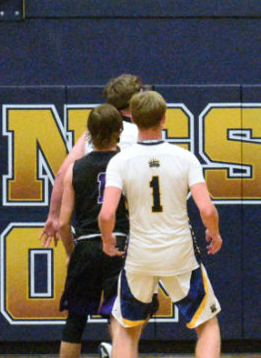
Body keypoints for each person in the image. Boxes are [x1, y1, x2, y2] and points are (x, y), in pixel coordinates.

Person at [98, 90, 222, 358]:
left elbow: (106, 214)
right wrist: (214, 232)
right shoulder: (185, 157)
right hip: (180, 253)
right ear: (164, 118)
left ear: (132, 119)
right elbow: (206, 208)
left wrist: (107, 239)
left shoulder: (119, 161)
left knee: (127, 329)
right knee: (207, 325)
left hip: (140, 255)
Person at [56, 104, 129, 358]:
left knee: (75, 320)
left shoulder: (74, 169)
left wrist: (71, 253)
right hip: (118, 244)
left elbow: (63, 223)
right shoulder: (126, 164)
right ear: (119, 131)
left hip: (86, 246)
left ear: (89, 133)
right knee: (119, 317)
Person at [39, 73, 143, 249]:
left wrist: (53, 215)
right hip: (124, 230)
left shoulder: (93, 133)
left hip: (89, 229)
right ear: (134, 104)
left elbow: (62, 173)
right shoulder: (140, 133)